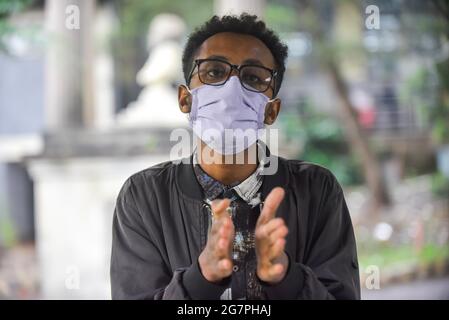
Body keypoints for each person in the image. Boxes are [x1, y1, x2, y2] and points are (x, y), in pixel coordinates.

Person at [110, 13, 360, 300]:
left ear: (271, 111)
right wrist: (199, 280)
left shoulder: (316, 191)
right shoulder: (144, 197)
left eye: (253, 77)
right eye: (214, 72)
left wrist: (286, 278)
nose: (231, 89)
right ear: (185, 99)